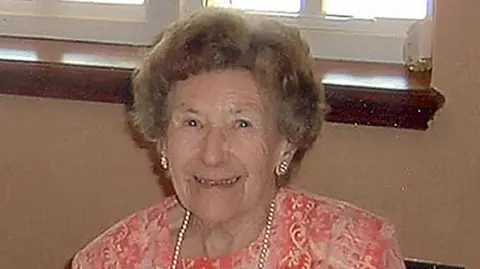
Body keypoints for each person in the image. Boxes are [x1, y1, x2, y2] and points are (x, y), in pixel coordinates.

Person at [71, 7, 406, 269]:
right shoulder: (111, 259)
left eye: (242, 123)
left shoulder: (355, 253)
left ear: (285, 144)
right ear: (162, 142)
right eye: (191, 122)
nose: (212, 155)